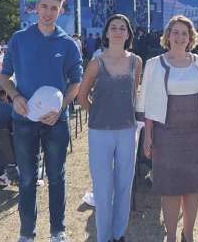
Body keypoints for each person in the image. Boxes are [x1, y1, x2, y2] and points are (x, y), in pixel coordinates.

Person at [0, 0, 83, 242]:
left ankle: (57, 230)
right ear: (36, 7)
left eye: (54, 8)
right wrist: (15, 97)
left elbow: (75, 82)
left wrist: (61, 107)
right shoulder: (19, 39)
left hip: (56, 122)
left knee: (56, 177)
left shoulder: (68, 44)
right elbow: (4, 76)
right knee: (26, 179)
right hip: (24, 121)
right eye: (44, 7)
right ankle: (27, 233)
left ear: (61, 10)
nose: (48, 13)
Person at [140, 15, 198, 242]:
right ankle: (171, 235)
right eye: (175, 32)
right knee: (170, 187)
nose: (180, 37)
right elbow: (148, 103)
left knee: (193, 186)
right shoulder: (154, 64)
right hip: (166, 131)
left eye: (184, 33)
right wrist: (148, 136)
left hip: (197, 131)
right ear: (168, 36)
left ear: (191, 37)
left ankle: (188, 234)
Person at [77, 14, 142, 242]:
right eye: (113, 27)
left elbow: (133, 94)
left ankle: (118, 233)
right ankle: (104, 237)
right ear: (106, 33)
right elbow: (82, 96)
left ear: (128, 34)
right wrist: (98, 113)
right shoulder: (96, 63)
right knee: (103, 188)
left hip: (126, 130)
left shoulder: (136, 61)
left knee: (124, 185)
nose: (117, 31)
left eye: (122, 28)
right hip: (100, 132)